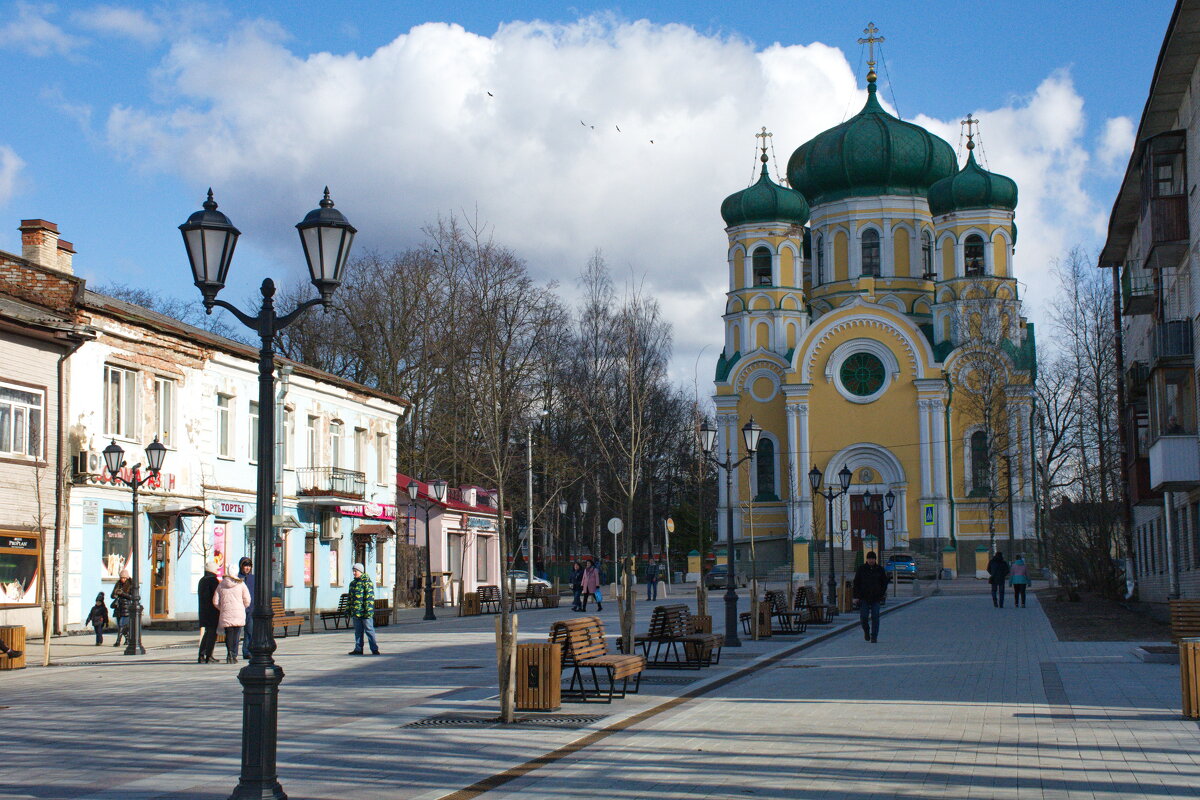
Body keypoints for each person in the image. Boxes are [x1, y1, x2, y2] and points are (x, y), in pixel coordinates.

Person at [213, 567, 251, 664]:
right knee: (236, 635)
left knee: (229, 634)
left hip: (226, 613)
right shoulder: (241, 584)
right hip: (238, 613)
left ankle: (229, 653)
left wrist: (222, 608)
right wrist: (243, 607)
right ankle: (233, 655)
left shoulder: (221, 585)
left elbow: (215, 601)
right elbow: (247, 599)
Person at [852, 550, 890, 643]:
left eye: (872, 559)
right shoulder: (861, 569)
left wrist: (881, 593)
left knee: (875, 617)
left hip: (876, 597)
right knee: (864, 617)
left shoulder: (880, 569)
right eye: (869, 559)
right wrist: (855, 596)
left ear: (875, 559)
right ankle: (866, 631)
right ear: (867, 559)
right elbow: (856, 583)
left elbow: (884, 583)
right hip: (863, 597)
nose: (871, 560)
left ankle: (874, 636)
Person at [347, 562, 380, 655]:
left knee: (369, 630)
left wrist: (368, 611)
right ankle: (358, 649)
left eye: (355, 571)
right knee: (358, 632)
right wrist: (348, 609)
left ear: (360, 571)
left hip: (365, 612)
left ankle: (374, 649)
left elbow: (369, 597)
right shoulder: (352, 584)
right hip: (356, 612)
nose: (354, 573)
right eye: (353, 571)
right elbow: (350, 598)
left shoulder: (367, 582)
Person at [197, 560, 220, 664]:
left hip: (203, 611)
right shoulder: (213, 580)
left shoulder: (202, 580)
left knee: (207, 633)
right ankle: (209, 655)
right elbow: (216, 597)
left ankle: (201, 655)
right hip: (212, 611)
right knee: (212, 634)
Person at [110, 570, 135, 648]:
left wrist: (122, 593)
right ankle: (127, 639)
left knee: (121, 625)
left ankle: (118, 642)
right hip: (118, 607)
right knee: (120, 626)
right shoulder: (118, 584)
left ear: (127, 578)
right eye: (121, 578)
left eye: (124, 578)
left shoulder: (131, 584)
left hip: (126, 608)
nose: (123, 579)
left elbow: (132, 597)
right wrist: (115, 594)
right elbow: (112, 595)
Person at [238, 557, 255, 660]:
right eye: (245, 566)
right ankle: (233, 652)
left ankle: (247, 651)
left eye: (249, 566)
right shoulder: (238, 578)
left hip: (251, 608)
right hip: (240, 608)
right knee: (237, 632)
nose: (247, 568)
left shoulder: (253, 578)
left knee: (250, 631)